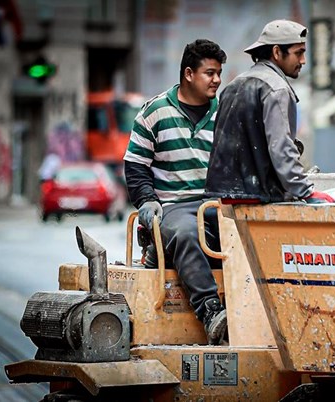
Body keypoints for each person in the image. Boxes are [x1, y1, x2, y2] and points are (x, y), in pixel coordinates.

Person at [123, 39, 228, 345]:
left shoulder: (224, 114)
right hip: (173, 207)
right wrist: (146, 201)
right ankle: (211, 312)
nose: (217, 80)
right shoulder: (154, 112)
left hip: (216, 204)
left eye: (219, 73)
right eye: (210, 73)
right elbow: (135, 166)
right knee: (184, 232)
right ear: (188, 74)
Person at [205, 19, 334, 204]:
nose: (303, 60)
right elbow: (281, 148)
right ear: (276, 52)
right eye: (298, 53)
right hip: (263, 197)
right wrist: (306, 192)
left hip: (226, 196)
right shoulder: (277, 88)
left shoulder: (233, 86)